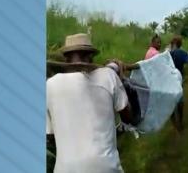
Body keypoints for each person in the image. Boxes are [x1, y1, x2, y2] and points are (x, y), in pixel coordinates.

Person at [46, 33, 132, 173]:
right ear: (91, 56)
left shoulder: (49, 86)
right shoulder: (108, 76)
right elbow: (128, 117)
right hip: (105, 168)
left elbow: (50, 135)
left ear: (66, 58)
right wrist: (120, 81)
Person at [169, 35, 188, 131]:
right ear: (180, 44)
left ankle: (174, 124)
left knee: (170, 103)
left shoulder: (167, 54)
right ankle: (180, 122)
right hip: (177, 81)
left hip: (167, 82)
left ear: (173, 43)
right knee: (180, 102)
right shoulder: (182, 53)